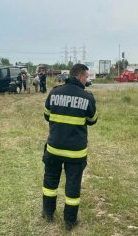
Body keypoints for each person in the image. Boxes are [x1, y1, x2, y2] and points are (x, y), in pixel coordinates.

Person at [41, 63, 98, 231]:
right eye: (86, 77)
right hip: (76, 152)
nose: (86, 80)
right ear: (80, 76)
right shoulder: (87, 97)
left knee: (50, 181)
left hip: (54, 148)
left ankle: (48, 213)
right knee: (73, 185)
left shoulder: (54, 92)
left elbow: (46, 115)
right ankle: (69, 221)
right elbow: (92, 121)